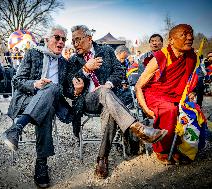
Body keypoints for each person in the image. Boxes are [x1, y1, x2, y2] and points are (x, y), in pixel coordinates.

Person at [68, 25, 167, 179]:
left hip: (110, 98)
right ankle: (137, 127)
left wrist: (108, 84)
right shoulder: (74, 59)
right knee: (103, 93)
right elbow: (68, 85)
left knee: (109, 110)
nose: (75, 44)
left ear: (89, 38)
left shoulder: (106, 51)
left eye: (78, 39)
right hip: (89, 100)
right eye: (73, 41)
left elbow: (119, 71)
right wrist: (85, 70)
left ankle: (102, 159)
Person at [3, 25, 72, 188]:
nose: (61, 41)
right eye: (57, 37)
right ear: (47, 40)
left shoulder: (64, 63)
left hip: (51, 99)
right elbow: (17, 80)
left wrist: (76, 88)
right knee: (46, 108)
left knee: (52, 89)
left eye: (63, 39)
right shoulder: (33, 53)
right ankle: (41, 165)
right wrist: (35, 84)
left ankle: (16, 128)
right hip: (27, 99)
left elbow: (67, 90)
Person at [135, 24, 197, 164]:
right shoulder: (161, 57)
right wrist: (145, 109)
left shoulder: (191, 57)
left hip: (176, 94)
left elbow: (187, 79)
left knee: (192, 110)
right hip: (154, 94)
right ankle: (162, 149)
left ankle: (180, 146)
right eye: (184, 34)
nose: (190, 37)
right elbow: (139, 86)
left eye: (191, 34)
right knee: (169, 109)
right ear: (171, 41)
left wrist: (190, 91)